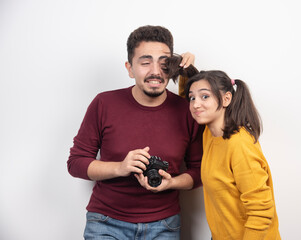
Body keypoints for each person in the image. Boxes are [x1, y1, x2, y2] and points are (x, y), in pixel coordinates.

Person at [67, 25, 203, 240]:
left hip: (164, 225)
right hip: (105, 222)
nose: (155, 72)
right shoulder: (104, 103)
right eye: (145, 62)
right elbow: (76, 163)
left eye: (164, 63)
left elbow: (199, 171)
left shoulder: (189, 110)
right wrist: (120, 167)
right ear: (130, 68)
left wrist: (172, 183)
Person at [184, 70, 281, 240]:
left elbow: (261, 210)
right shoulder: (210, 133)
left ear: (227, 99)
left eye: (205, 97)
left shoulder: (239, 144)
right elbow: (194, 93)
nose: (196, 104)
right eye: (192, 98)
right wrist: (186, 70)